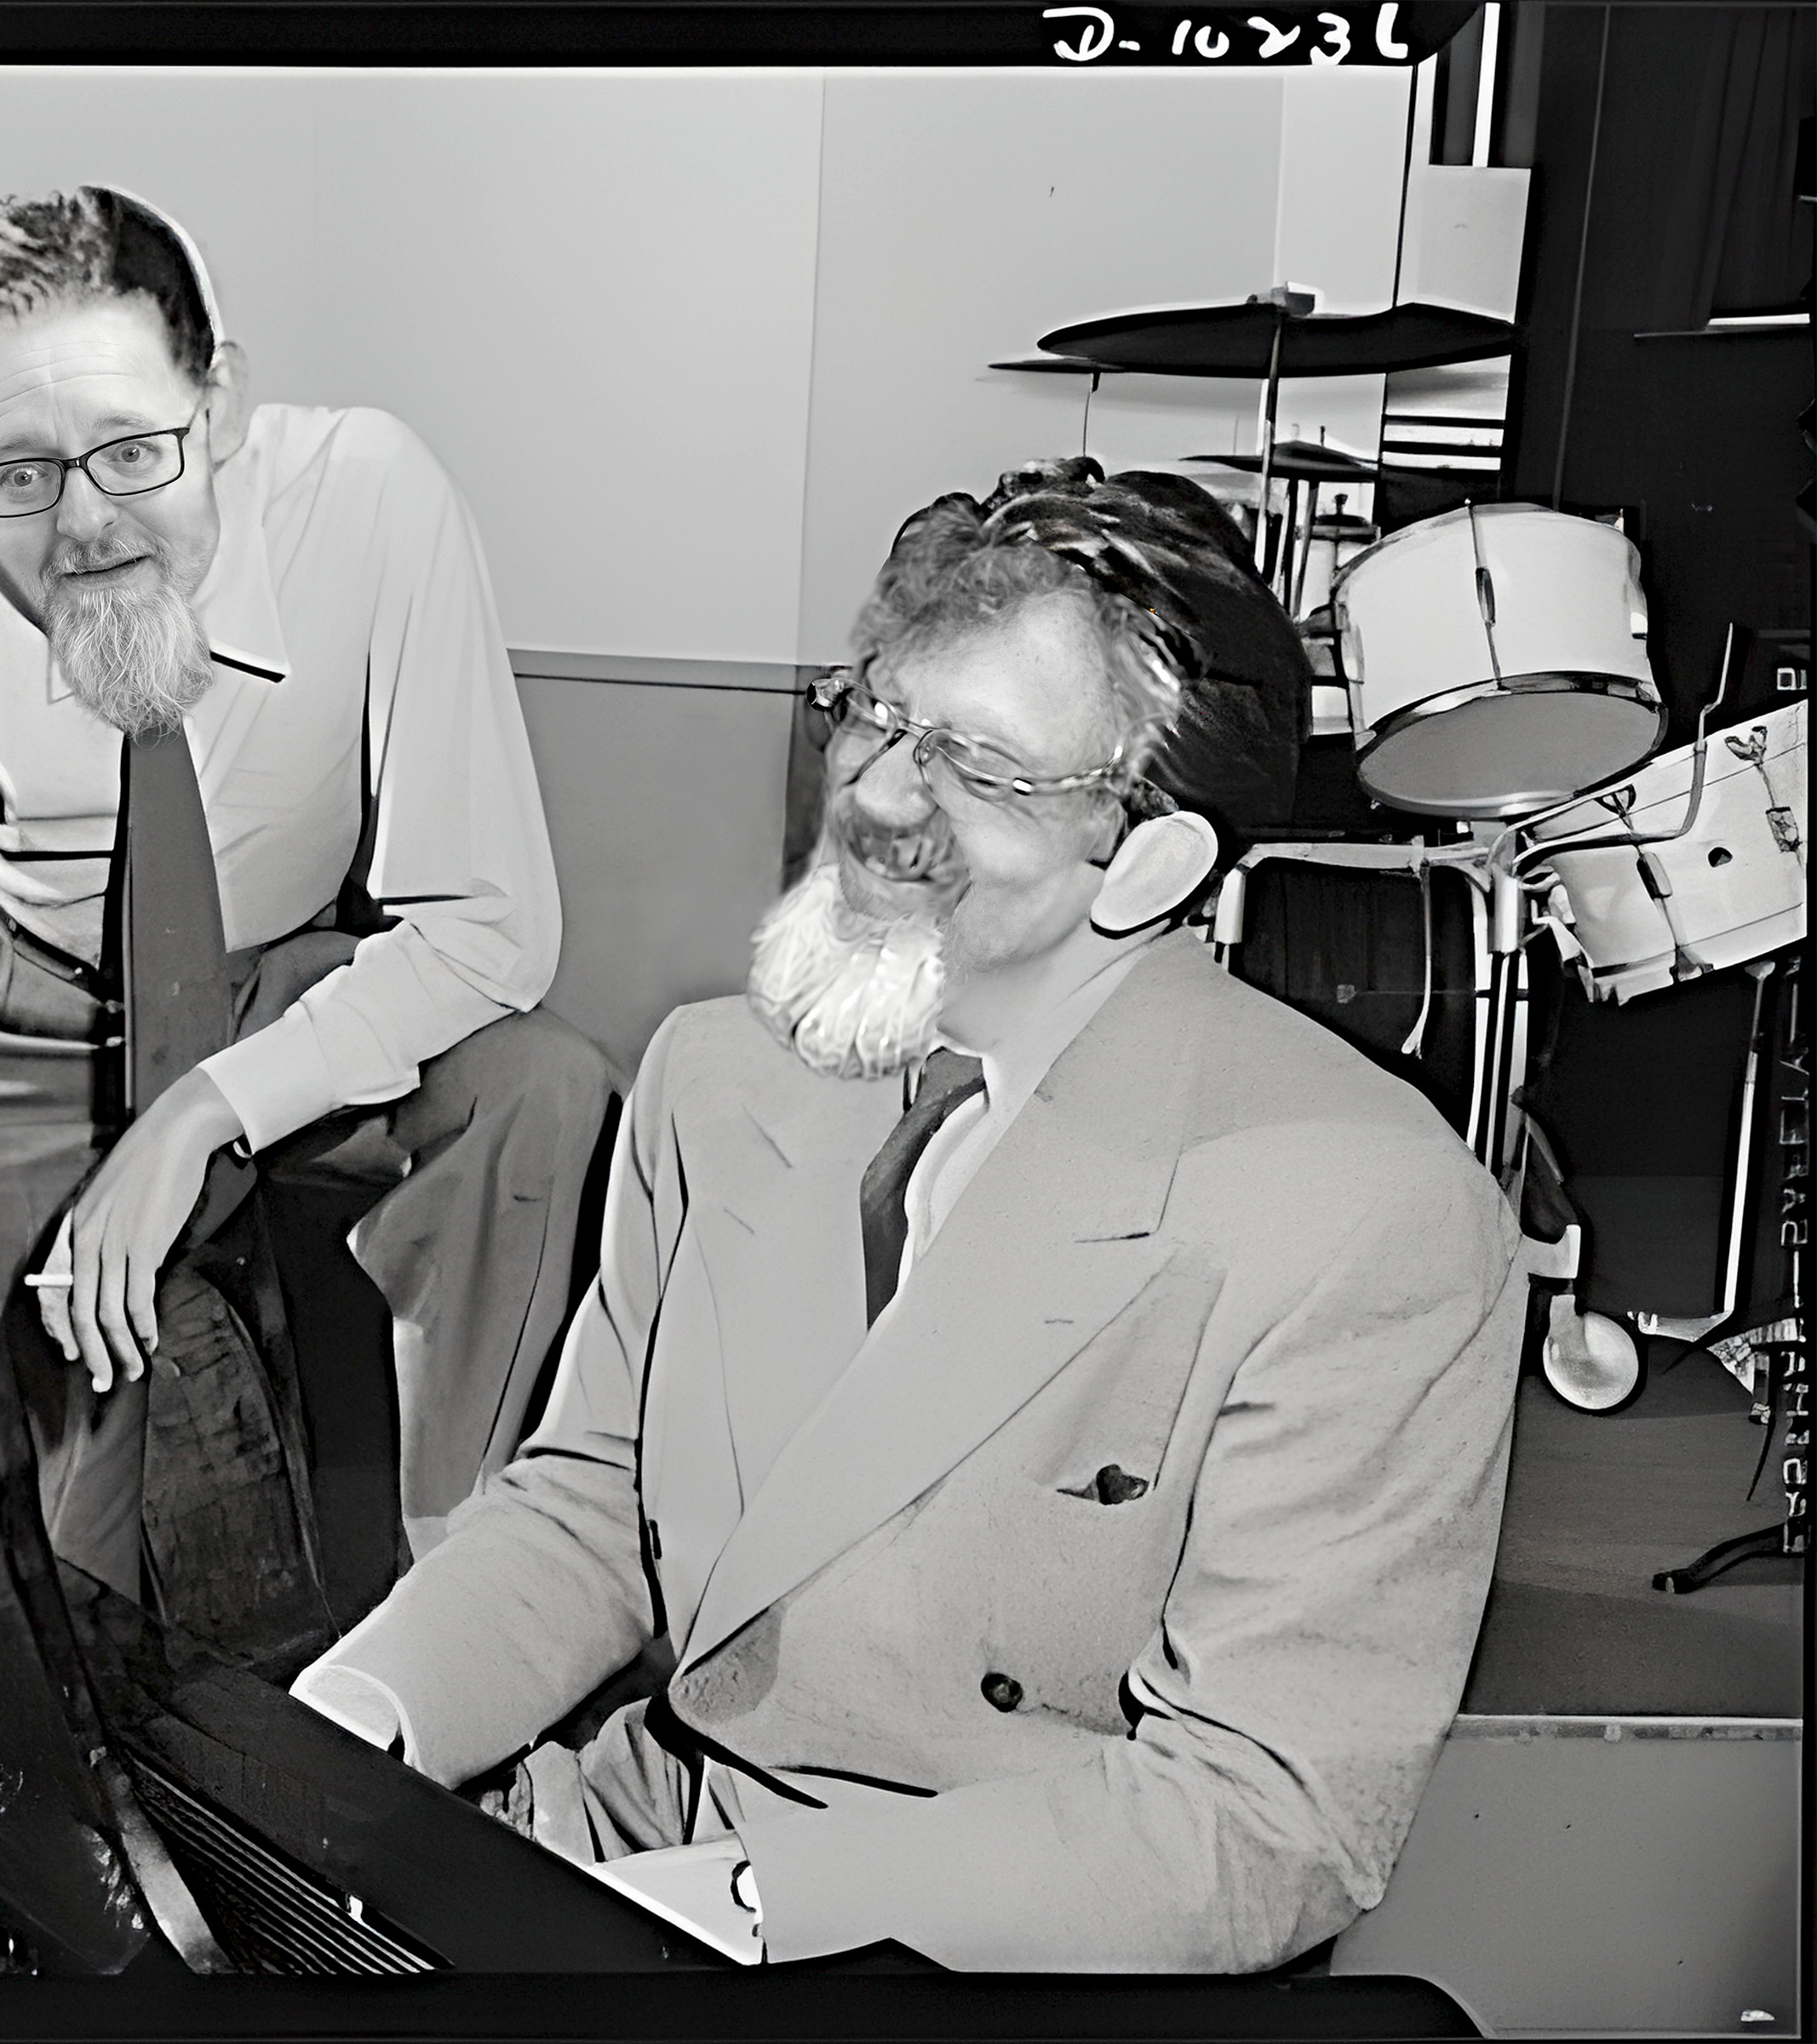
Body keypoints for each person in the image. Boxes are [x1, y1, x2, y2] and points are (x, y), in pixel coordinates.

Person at [290, 460, 1528, 1971]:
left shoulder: (1366, 1211)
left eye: (980, 770)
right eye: (877, 714)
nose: (875, 798)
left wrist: (753, 1908)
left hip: (977, 1953)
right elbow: (597, 1505)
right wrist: (353, 1720)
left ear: (1149, 864)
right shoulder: (717, 1071)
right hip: (635, 1832)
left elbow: (1263, 1822)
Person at [0, 187, 609, 1591]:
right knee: (57, 1547)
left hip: (267, 982)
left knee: (537, 1084)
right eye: (16, 474)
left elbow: (493, 923)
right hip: (7, 1018)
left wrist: (198, 1115)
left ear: (220, 404)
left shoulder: (373, 496)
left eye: (132, 449)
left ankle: (470, 1565)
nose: (85, 525)